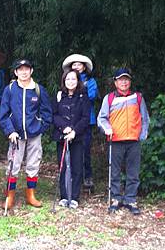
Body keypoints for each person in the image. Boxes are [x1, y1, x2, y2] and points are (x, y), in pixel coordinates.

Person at [0, 59, 53, 210]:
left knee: (33, 163)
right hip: (15, 134)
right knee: (13, 164)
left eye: (26, 69)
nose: (23, 72)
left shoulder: (38, 89)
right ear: (16, 72)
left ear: (31, 71)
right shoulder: (10, 89)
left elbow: (47, 113)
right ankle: (10, 196)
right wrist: (10, 131)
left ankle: (31, 194)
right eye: (20, 69)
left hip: (34, 134)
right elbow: (3, 114)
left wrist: (39, 127)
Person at [97, 68, 149, 215]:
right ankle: (116, 198)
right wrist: (106, 129)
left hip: (134, 140)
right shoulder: (109, 98)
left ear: (130, 81)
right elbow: (101, 118)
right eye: (120, 79)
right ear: (115, 82)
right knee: (115, 172)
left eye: (126, 79)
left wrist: (142, 134)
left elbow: (145, 117)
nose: (124, 82)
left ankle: (130, 199)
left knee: (133, 171)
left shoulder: (137, 97)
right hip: (116, 140)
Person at [52, 69, 91, 208]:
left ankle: (74, 197)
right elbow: (54, 115)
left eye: (73, 79)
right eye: (68, 79)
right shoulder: (59, 96)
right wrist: (64, 128)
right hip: (62, 136)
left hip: (78, 137)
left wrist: (74, 131)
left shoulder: (83, 97)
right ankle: (64, 196)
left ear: (78, 81)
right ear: (64, 81)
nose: (70, 82)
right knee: (62, 166)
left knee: (77, 167)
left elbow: (86, 118)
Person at [61, 54, 99, 189]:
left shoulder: (90, 81)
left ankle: (87, 176)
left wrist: (80, 93)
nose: (77, 67)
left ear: (84, 66)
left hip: (86, 120)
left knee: (85, 149)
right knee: (70, 150)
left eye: (79, 64)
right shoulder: (67, 80)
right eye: (74, 64)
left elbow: (93, 96)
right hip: (69, 120)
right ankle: (71, 177)